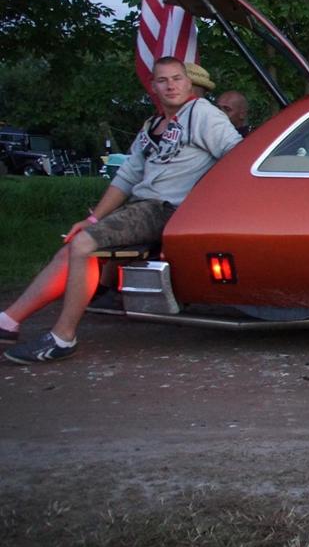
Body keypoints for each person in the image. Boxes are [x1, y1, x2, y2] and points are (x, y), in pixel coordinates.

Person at [0, 57, 242, 363]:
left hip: (167, 209)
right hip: (141, 206)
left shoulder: (203, 114)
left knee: (85, 246)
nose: (171, 86)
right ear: (153, 87)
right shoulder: (152, 125)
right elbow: (127, 177)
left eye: (177, 79)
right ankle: (8, 321)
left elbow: (237, 154)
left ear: (188, 83)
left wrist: (210, 200)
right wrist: (92, 218)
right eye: (163, 80)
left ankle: (63, 337)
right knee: (72, 247)